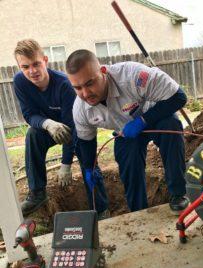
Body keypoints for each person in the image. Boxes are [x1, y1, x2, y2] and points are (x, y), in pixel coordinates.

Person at [66, 49, 189, 215]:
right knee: (127, 159)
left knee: (172, 126)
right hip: (125, 132)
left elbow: (179, 97)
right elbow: (87, 141)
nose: (85, 93)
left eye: (89, 83)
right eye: (77, 88)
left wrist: (143, 121)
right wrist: (89, 168)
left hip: (154, 116)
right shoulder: (80, 109)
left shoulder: (133, 76)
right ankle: (138, 211)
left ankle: (178, 193)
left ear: (103, 72)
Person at [13, 40, 109, 219]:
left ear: (45, 60)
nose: (32, 71)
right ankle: (38, 193)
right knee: (32, 135)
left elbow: (73, 128)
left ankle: (100, 208)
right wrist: (47, 124)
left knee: (89, 163)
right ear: (19, 67)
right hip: (48, 128)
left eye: (36, 64)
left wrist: (66, 164)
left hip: (76, 129)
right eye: (25, 67)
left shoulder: (64, 84)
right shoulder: (20, 82)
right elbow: (29, 113)